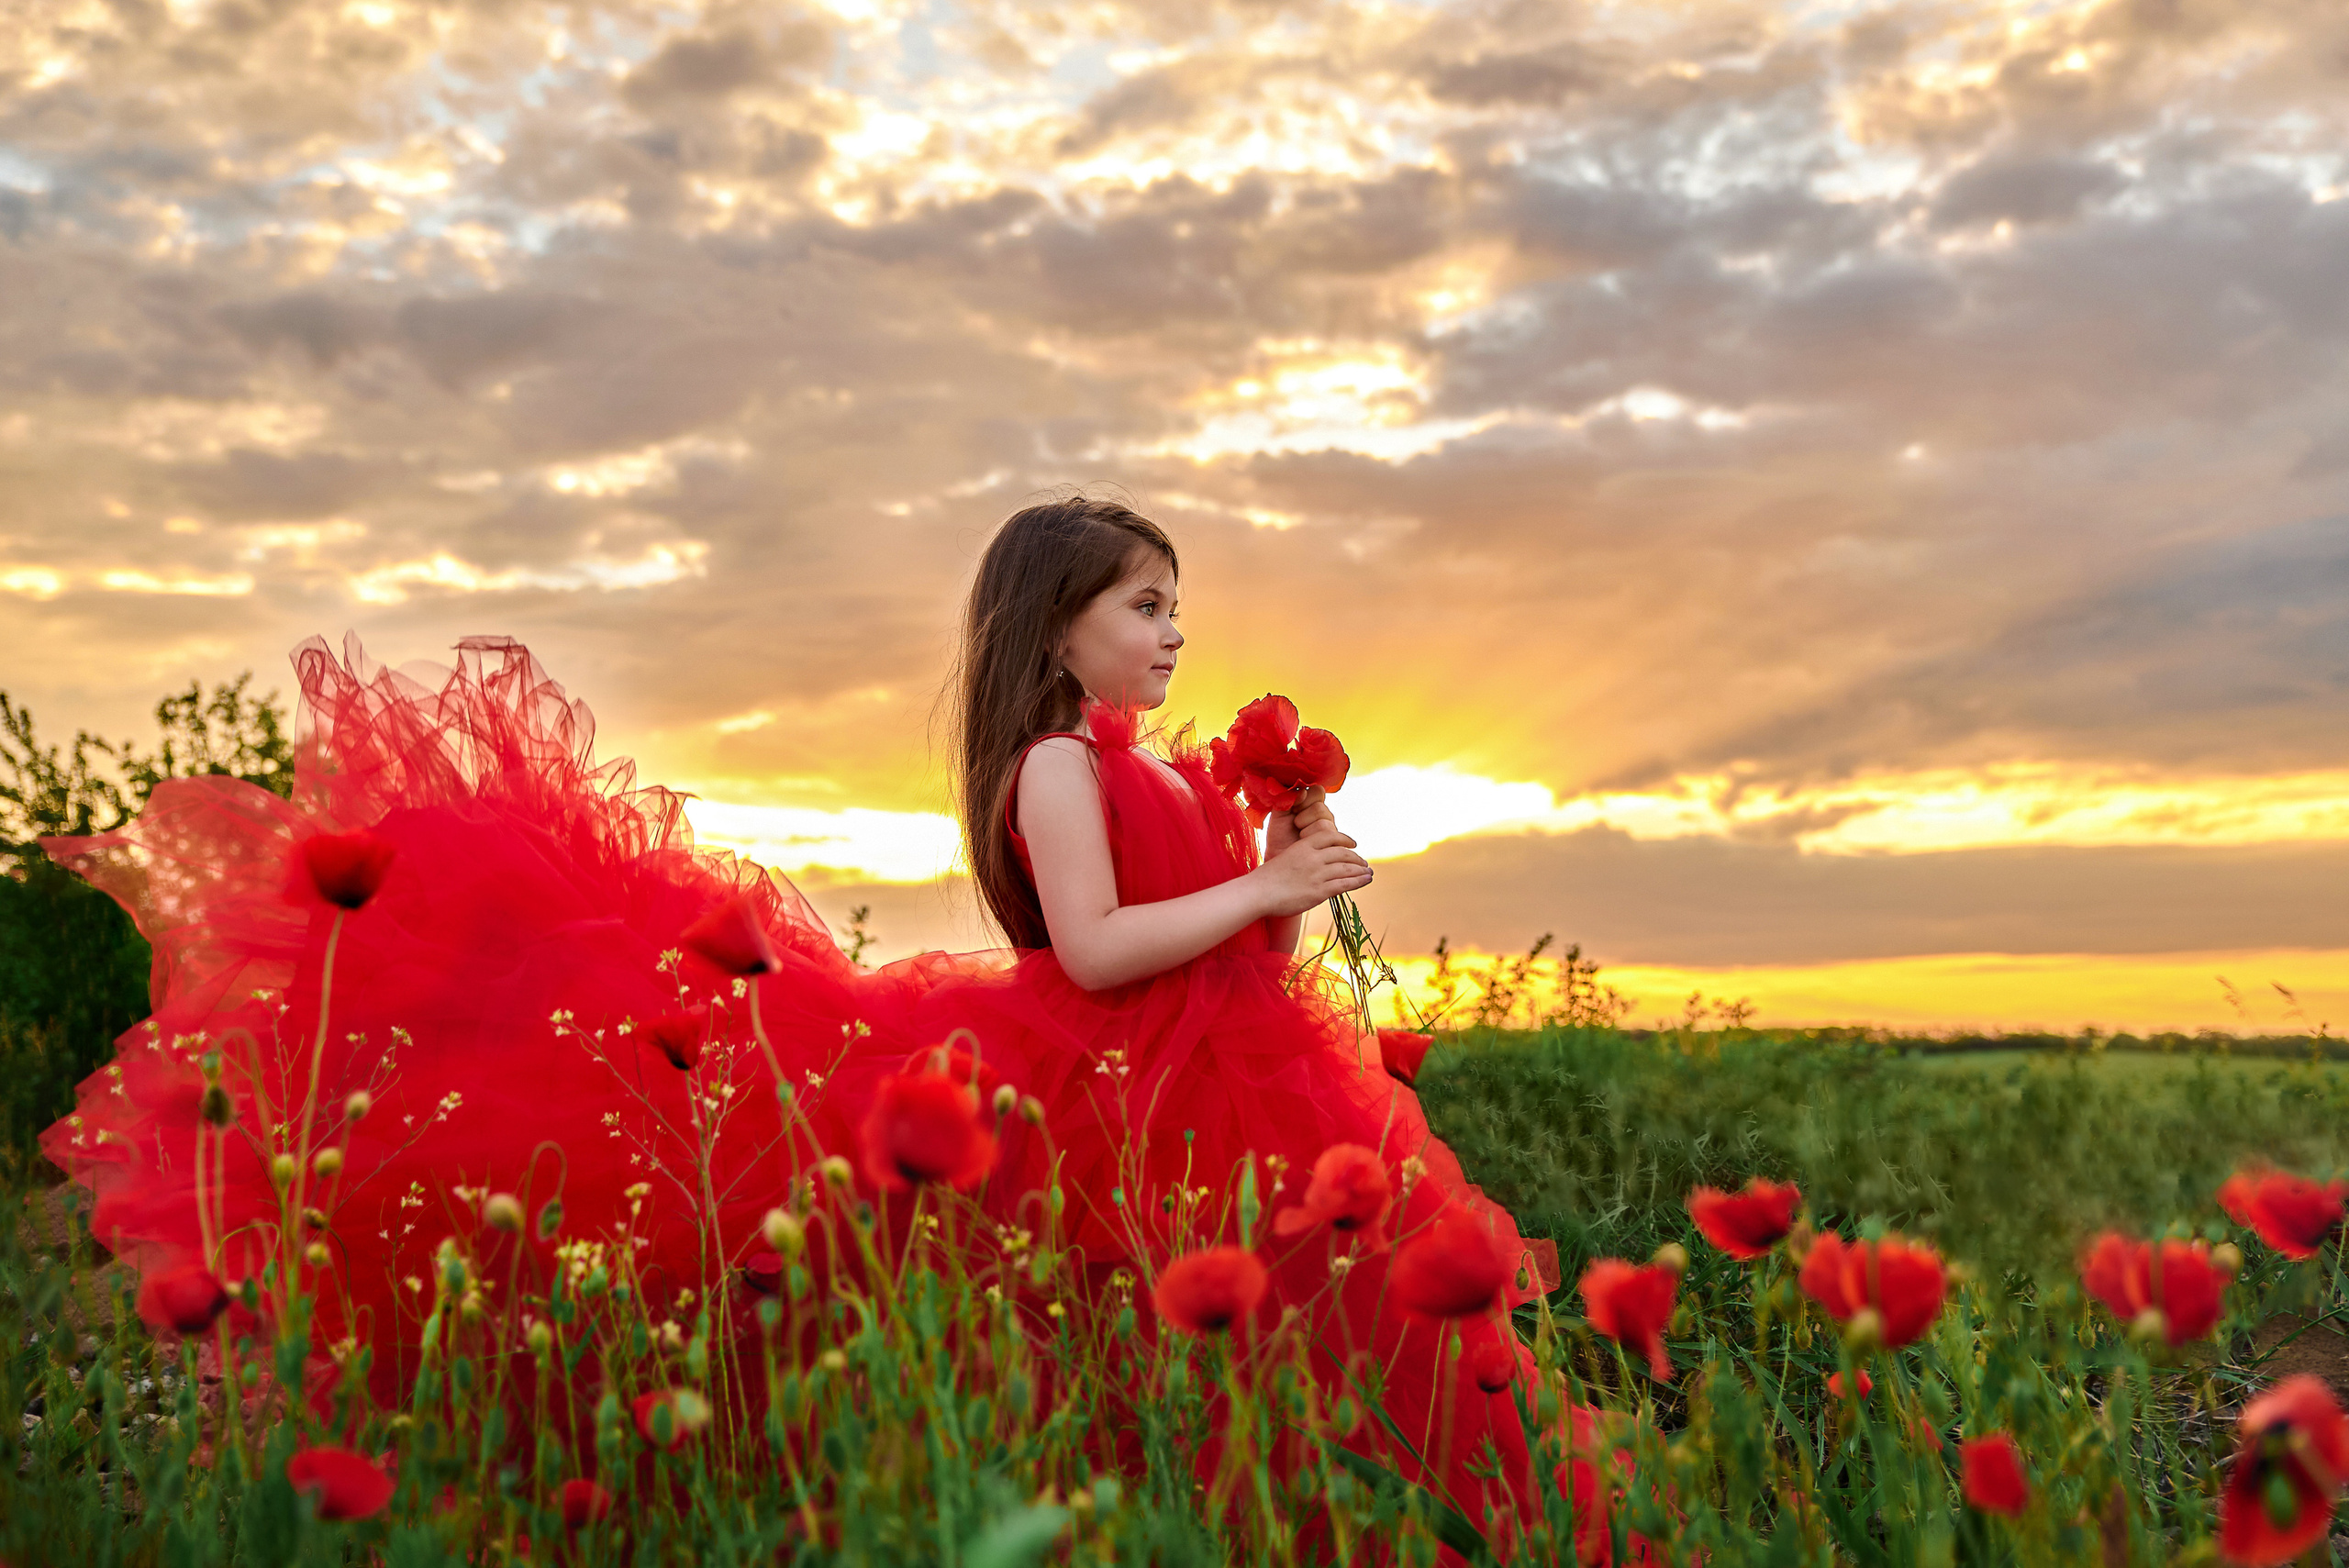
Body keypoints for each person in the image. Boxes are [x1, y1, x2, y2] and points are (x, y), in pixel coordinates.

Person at [39, 494, 1573, 1548]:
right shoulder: (1057, 764)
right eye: (1147, 604)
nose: (1174, 631)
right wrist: (1254, 898)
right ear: (1058, 629)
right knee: (1108, 1339)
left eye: (1180, 606)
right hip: (1103, 1080)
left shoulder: (1168, 772)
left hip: (1230, 1076)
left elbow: (1227, 954)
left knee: (1287, 1343)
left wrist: (1282, 868)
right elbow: (1100, 949)